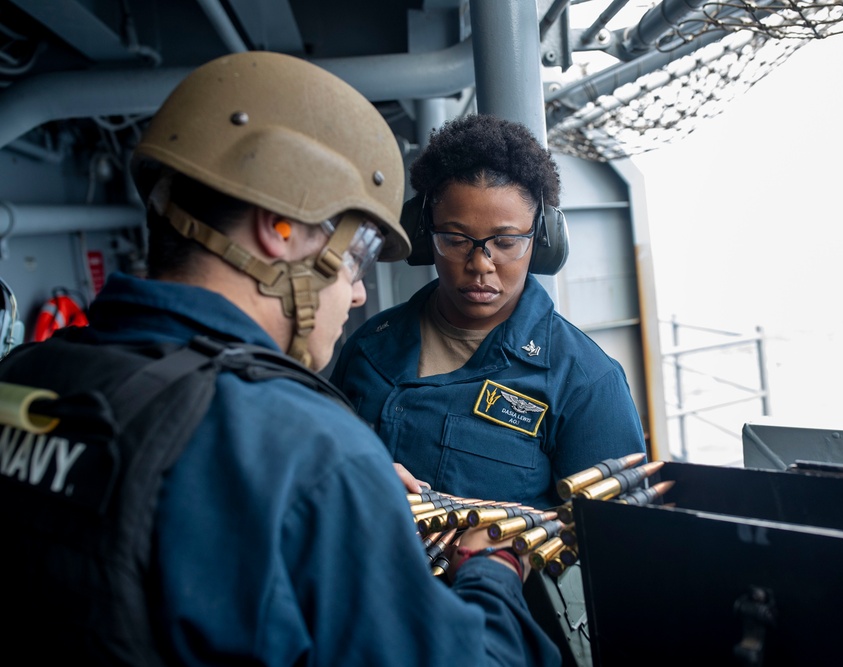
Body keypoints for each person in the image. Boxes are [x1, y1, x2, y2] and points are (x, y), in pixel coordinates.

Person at [0, 52, 559, 667]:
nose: (357, 290)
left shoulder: (23, 377)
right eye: (358, 252)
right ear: (281, 229)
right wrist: (491, 568)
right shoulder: (310, 455)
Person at [331, 113, 647, 512]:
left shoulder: (584, 382)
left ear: (542, 241)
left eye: (507, 241)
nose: (481, 264)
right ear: (425, 233)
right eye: (456, 238)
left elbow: (614, 543)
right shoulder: (368, 346)